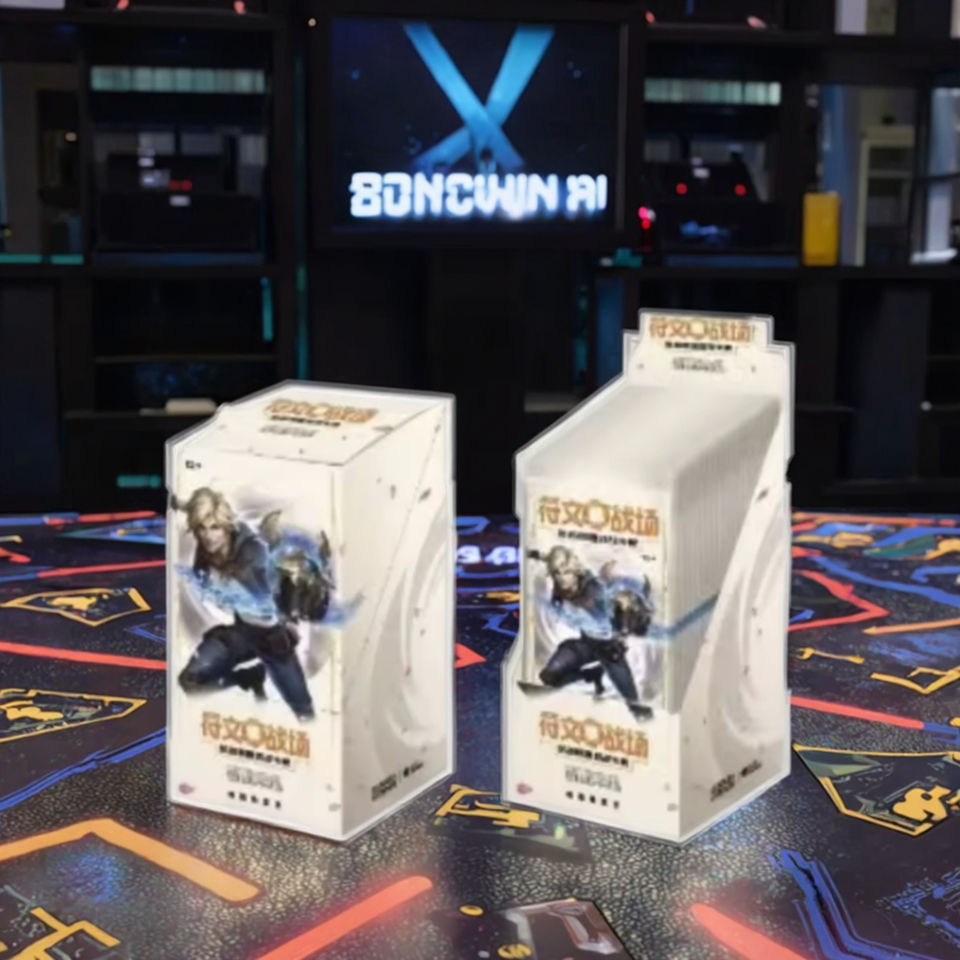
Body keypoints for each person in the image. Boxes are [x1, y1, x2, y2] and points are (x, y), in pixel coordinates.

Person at [175, 488, 326, 721]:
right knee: (190, 681)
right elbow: (195, 510)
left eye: (215, 528)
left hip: (274, 639)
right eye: (202, 528)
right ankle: (248, 678)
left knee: (305, 713)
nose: (208, 536)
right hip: (242, 632)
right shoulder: (206, 551)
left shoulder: (253, 549)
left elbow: (269, 582)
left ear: (227, 527)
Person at [526, 546, 654, 721]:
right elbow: (550, 558)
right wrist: (534, 554)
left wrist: (625, 616)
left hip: (608, 648)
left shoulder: (594, 589)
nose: (562, 578)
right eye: (557, 573)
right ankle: (591, 675)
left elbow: (618, 604)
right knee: (549, 676)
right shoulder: (560, 581)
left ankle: (642, 715)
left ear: (575, 571)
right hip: (585, 643)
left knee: (635, 706)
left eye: (566, 572)